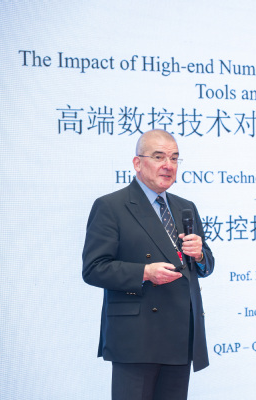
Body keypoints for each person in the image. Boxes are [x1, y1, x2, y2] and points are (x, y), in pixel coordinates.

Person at [82, 129, 214, 400]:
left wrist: (200, 256)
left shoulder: (185, 207)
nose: (168, 165)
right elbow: (94, 268)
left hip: (180, 334)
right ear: (137, 163)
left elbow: (207, 265)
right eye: (159, 157)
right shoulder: (112, 206)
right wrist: (144, 272)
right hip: (137, 338)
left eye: (174, 158)